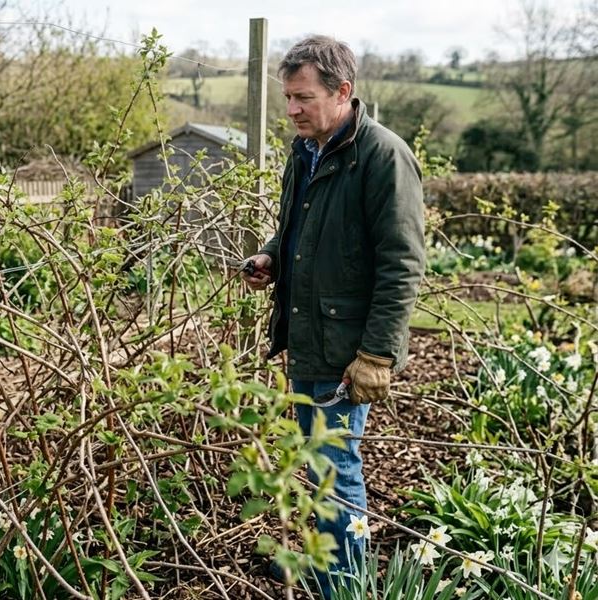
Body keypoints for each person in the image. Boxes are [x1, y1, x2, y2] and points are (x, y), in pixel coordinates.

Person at [240, 35, 425, 597]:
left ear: (343, 92)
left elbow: (402, 264)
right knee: (316, 460)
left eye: (302, 98)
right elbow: (299, 226)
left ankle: (344, 580)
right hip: (308, 334)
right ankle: (328, 564)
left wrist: (377, 355)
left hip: (348, 348)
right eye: (287, 98)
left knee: (336, 465)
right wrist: (272, 255)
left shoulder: (382, 156)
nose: (291, 110)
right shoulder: (307, 151)